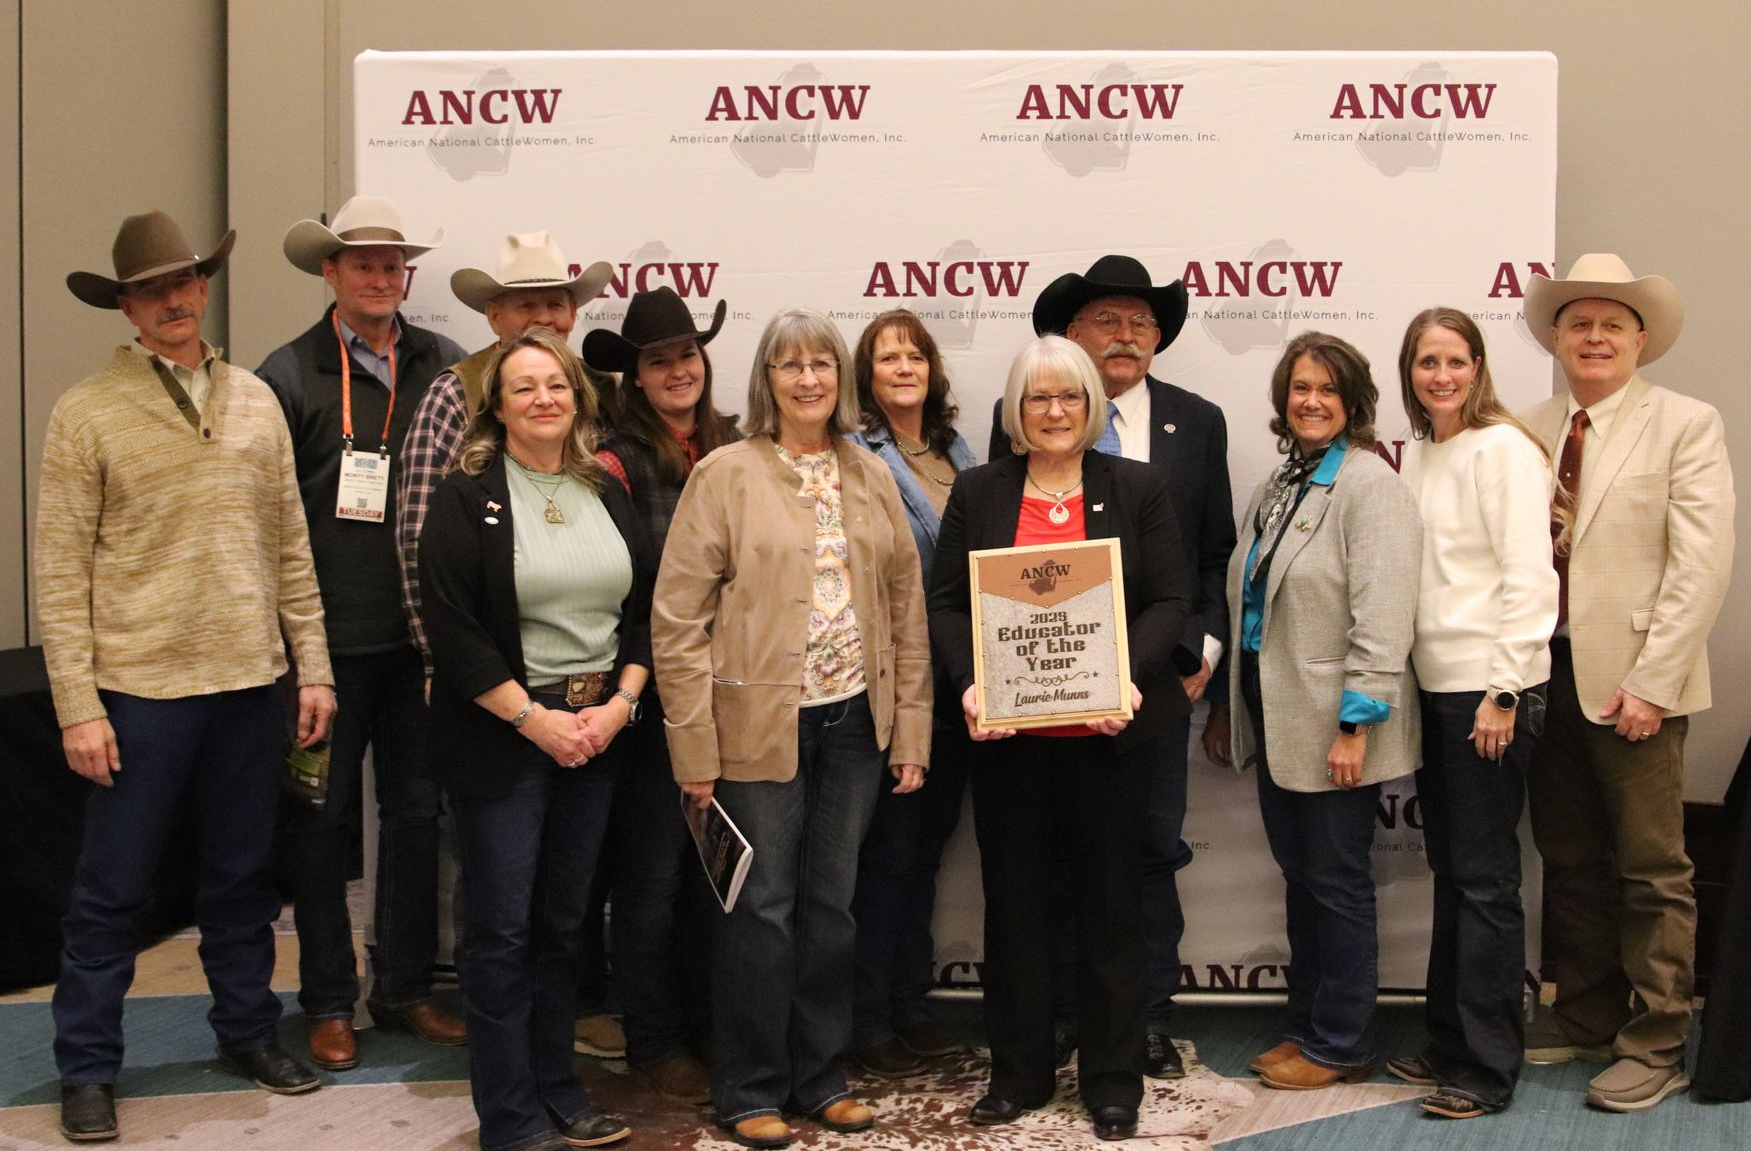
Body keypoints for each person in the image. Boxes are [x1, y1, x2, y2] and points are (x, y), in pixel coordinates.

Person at [39, 211, 337, 1142]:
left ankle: (248, 1031)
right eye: (151, 289)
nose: (173, 299)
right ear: (126, 306)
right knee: (112, 890)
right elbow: (58, 572)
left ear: (205, 288)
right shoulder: (84, 411)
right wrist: (78, 706)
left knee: (242, 881)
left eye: (186, 282)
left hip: (252, 683)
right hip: (139, 693)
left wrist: (313, 669)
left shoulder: (254, 399)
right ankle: (87, 1066)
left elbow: (292, 545)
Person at [652, 308, 931, 1150]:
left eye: (820, 364)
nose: (807, 379)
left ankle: (820, 1076)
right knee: (759, 911)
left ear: (840, 379)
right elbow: (676, 619)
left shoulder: (870, 471)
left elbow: (904, 608)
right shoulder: (726, 474)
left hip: (855, 723)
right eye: (788, 366)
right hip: (753, 726)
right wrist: (693, 748)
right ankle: (748, 1087)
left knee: (831, 908)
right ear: (764, 381)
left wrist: (910, 731)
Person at [931, 335, 1193, 1141]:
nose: (1053, 411)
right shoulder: (978, 491)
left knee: (1112, 908)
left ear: (1091, 408)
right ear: (1016, 408)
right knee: (1014, 906)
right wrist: (971, 682)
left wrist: (1123, 678)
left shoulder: (1138, 486)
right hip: (1010, 738)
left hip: (1106, 737)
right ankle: (1017, 1071)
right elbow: (945, 602)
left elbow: (1170, 597)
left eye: (1069, 397)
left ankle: (1112, 1082)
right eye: (1038, 397)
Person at [419, 328, 652, 1151]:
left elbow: (641, 612)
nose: (543, 399)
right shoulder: (466, 493)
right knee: (501, 933)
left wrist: (620, 704)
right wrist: (533, 719)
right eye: (523, 388)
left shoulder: (606, 486)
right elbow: (452, 630)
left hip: (596, 733)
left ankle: (560, 1088)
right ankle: (510, 1114)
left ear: (577, 396)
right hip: (508, 738)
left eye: (555, 384)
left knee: (563, 927)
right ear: (497, 407)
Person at [1008, 255, 1235, 1076]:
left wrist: (1196, 652)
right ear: (1070, 336)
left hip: (1156, 686)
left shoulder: (1195, 420)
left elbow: (1213, 554)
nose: (1127, 335)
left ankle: (1142, 1016)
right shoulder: (1031, 434)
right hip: (1042, 692)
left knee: (1145, 850)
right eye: (1108, 320)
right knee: (1060, 854)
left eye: (1142, 323)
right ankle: (1069, 1012)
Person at [256, 195, 468, 1070]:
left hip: (422, 645)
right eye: (364, 264)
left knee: (417, 815)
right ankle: (327, 1000)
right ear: (329, 272)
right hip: (324, 653)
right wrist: (300, 655)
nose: (382, 278)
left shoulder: (445, 363)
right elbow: (266, 519)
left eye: (393, 265)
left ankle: (406, 987)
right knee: (320, 822)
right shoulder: (288, 372)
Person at [1518, 254, 1734, 1112]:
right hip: (1545, 675)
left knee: (1651, 868)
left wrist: (1653, 681)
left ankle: (1656, 1037)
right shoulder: (1526, 427)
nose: (1595, 335)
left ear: (1639, 339)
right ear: (1557, 337)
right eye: (1579, 322)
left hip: (1638, 684)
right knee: (1568, 859)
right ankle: (1584, 1012)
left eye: (1612, 323)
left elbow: (1700, 565)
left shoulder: (1685, 423)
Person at [1212, 331, 1421, 1091]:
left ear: (1353, 400)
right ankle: (1305, 1026)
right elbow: (1250, 600)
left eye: (1326, 389)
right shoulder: (1281, 482)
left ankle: (1340, 1042)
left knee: (1335, 883)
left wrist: (1354, 725)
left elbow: (1384, 616)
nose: (1310, 400)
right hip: (1278, 715)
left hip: (1337, 723)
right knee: (1301, 879)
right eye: (1299, 387)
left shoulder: (1370, 484)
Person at [1384, 308, 1558, 1119]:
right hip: (1435, 686)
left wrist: (1504, 690)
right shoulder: (1423, 452)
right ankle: (1450, 1039)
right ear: (1409, 373)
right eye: (1426, 362)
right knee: (1454, 872)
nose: (1440, 375)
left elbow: (1530, 577)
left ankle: (1489, 1068)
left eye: (1455, 360)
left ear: (1479, 367)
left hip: (1489, 692)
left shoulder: (1504, 450)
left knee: (1486, 883)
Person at [577, 286, 741, 1102]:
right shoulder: (615, 460)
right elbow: (634, 585)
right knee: (651, 876)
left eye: (686, 354)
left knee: (719, 877)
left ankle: (711, 1025)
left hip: (734, 693)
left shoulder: (737, 446)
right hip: (648, 694)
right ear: (635, 378)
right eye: (658, 360)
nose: (677, 369)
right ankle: (654, 1037)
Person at [843, 309, 979, 1076]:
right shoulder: (856, 454)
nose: (901, 367)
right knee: (886, 857)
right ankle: (865, 1020)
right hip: (896, 680)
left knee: (925, 855)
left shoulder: (958, 448)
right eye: (885, 356)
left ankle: (908, 1006)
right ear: (867, 375)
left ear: (931, 368)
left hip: (961, 677)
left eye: (913, 355)